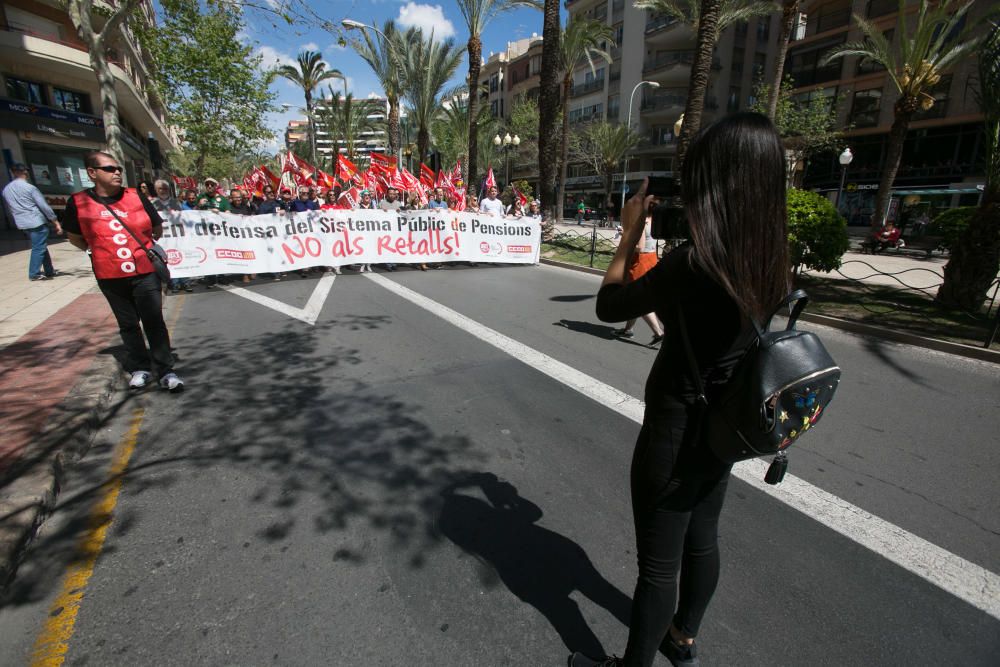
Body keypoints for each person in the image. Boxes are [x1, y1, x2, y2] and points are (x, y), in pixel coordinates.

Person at [577, 113, 790, 667]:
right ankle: (682, 638)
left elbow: (609, 305)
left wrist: (629, 230)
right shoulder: (770, 262)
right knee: (703, 539)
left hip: (675, 429)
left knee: (657, 568)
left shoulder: (694, 264)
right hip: (723, 428)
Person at [60, 151, 185, 392]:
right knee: (128, 323)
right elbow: (75, 237)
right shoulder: (77, 202)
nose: (116, 172)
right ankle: (141, 368)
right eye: (109, 169)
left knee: (154, 321)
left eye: (118, 168)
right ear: (92, 173)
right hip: (109, 274)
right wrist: (98, 249)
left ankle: (166, 370)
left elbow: (156, 228)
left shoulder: (135, 196)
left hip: (144, 271)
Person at [612, 202, 665, 347]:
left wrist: (625, 237)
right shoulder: (654, 220)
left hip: (640, 263)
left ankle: (658, 332)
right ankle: (628, 329)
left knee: (638, 299)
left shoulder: (641, 223)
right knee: (637, 297)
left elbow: (639, 247)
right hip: (651, 258)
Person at [2, 162, 63, 280]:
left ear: (13, 173)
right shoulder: (30, 188)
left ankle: (49, 270)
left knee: (41, 245)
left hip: (22, 222)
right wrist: (55, 221)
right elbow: (44, 206)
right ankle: (34, 273)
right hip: (36, 220)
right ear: (25, 172)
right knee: (38, 247)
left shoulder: (6, 190)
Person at [151, 180, 192, 294]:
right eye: (160, 189)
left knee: (182, 257)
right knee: (169, 259)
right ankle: (174, 283)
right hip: (163, 237)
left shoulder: (176, 203)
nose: (163, 191)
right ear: (156, 190)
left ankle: (186, 282)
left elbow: (187, 216)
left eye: (165, 188)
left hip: (177, 236)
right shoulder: (152, 204)